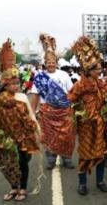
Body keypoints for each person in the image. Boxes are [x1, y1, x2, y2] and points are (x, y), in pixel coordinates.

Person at [0, 40, 40, 201]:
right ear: (5, 84)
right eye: (13, 83)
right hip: (5, 138)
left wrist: (38, 131)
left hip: (23, 136)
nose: (16, 85)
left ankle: (23, 188)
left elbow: (31, 116)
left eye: (17, 82)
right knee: (8, 164)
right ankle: (14, 187)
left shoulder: (23, 97)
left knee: (23, 162)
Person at [68, 36, 107, 195]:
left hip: (100, 125)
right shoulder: (79, 85)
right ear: (88, 70)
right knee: (85, 154)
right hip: (86, 126)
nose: (100, 71)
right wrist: (80, 113)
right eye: (97, 69)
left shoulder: (102, 85)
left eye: (101, 68)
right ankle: (82, 183)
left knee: (101, 153)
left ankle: (100, 181)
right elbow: (71, 101)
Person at [30, 34, 75, 170]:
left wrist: (73, 108)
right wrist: (32, 113)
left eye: (53, 61)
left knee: (66, 135)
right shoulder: (40, 77)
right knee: (49, 137)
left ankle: (67, 158)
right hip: (47, 111)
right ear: (45, 63)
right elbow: (35, 96)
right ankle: (51, 159)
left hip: (64, 111)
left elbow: (71, 92)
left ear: (56, 62)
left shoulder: (64, 75)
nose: (51, 64)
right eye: (48, 62)